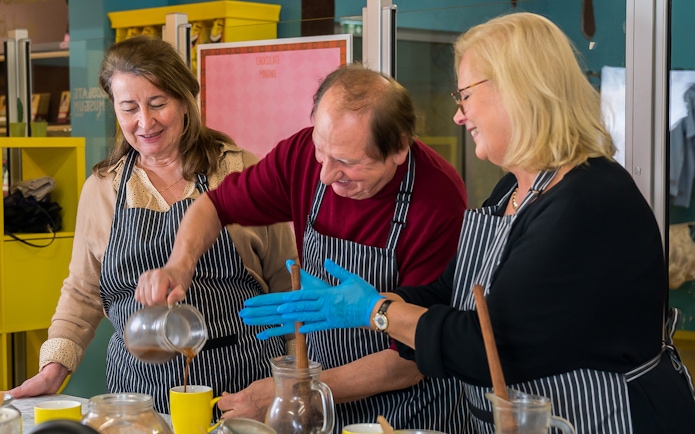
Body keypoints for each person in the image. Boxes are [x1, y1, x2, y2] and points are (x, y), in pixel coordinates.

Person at [239, 12, 695, 434]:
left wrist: (375, 313)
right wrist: (370, 299)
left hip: (602, 418)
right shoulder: (509, 193)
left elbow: (488, 345)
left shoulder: (588, 202)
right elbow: (453, 296)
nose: (458, 114)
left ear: (519, 90)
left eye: (466, 95)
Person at [137, 63, 468, 432]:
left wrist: (294, 389)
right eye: (321, 153)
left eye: (347, 162)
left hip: (407, 411)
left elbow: (412, 359)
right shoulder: (300, 155)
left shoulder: (439, 200)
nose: (326, 175)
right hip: (322, 404)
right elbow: (213, 206)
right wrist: (179, 264)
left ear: (399, 148)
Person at [7, 36, 298, 415]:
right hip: (135, 395)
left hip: (243, 388)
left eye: (158, 103)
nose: (145, 122)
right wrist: (52, 370)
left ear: (184, 99)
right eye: (129, 108)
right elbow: (82, 292)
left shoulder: (238, 171)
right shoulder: (103, 188)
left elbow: (288, 280)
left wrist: (294, 376)